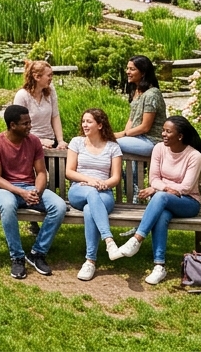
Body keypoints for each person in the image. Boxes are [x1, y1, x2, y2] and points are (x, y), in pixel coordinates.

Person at [115, 116, 201, 285]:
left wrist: (159, 188)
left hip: (188, 202)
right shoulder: (159, 148)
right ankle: (159, 266)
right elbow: (153, 178)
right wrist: (162, 187)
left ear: (180, 136)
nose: (163, 134)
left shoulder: (194, 156)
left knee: (160, 196)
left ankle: (136, 239)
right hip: (165, 201)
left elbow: (186, 187)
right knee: (162, 215)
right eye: (163, 130)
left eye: (168, 131)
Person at [0, 105, 65, 280]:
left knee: (59, 206)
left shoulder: (33, 141)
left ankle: (37, 253)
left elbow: (42, 172)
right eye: (25, 123)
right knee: (7, 205)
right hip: (7, 189)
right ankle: (17, 257)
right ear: (12, 125)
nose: (30, 126)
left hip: (30, 187)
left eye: (30, 122)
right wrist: (20, 192)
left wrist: (37, 190)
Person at [65, 109, 125, 281]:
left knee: (90, 210)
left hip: (103, 193)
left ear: (100, 125)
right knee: (91, 193)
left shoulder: (113, 147)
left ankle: (90, 261)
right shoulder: (77, 142)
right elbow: (69, 172)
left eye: (89, 121)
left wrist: (103, 184)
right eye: (83, 121)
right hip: (79, 189)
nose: (84, 125)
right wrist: (91, 181)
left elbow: (115, 177)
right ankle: (109, 241)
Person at [117, 56, 165, 157]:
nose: (128, 72)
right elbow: (131, 119)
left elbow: (145, 127)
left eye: (132, 69)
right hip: (137, 138)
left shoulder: (152, 94)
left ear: (143, 73)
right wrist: (125, 133)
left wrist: (123, 135)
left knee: (110, 144)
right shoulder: (135, 91)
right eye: (127, 68)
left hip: (151, 141)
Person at [14, 60, 63, 149]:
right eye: (49, 75)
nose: (51, 78)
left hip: (50, 141)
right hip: (28, 143)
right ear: (37, 77)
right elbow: (18, 127)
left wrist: (60, 141)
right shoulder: (22, 96)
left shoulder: (50, 91)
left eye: (52, 75)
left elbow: (55, 116)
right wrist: (40, 141)